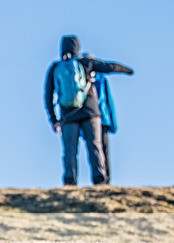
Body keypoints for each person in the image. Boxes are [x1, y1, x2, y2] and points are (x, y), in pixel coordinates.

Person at [44, 35, 133, 186]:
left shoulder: (55, 67)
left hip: (67, 115)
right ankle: (100, 181)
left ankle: (69, 182)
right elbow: (109, 67)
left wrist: (54, 119)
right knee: (95, 147)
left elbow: (48, 95)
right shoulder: (85, 63)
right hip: (90, 112)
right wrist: (128, 70)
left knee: (70, 152)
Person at [93, 73, 117, 181]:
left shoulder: (82, 77)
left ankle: (102, 178)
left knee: (96, 150)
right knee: (103, 150)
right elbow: (108, 101)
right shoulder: (101, 78)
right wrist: (113, 123)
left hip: (93, 120)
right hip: (102, 119)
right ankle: (105, 179)